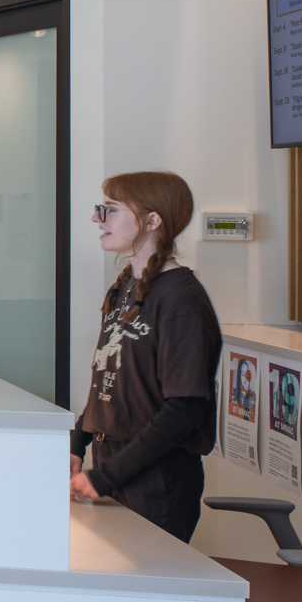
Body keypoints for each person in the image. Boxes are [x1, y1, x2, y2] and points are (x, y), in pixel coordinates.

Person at [69, 171, 221, 542]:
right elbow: (109, 380)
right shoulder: (126, 285)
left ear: (152, 221)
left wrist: (105, 477)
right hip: (113, 463)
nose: (97, 219)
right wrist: (77, 443)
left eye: (110, 210)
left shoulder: (182, 300)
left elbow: (183, 409)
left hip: (155, 478)